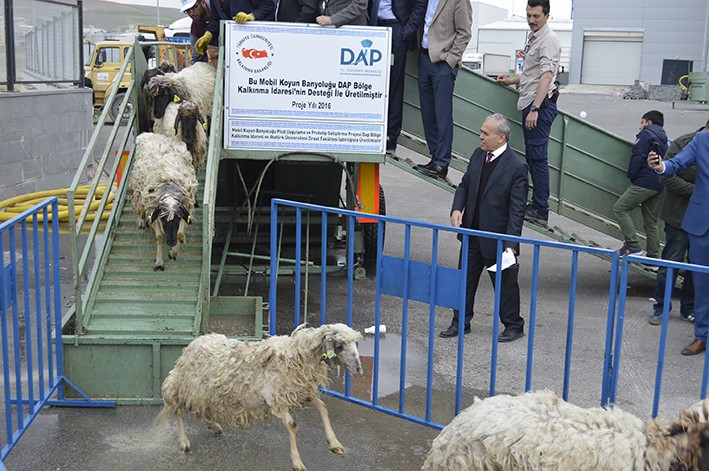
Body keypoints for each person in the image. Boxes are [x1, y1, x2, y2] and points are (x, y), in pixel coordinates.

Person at [441, 114, 528, 342]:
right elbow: (465, 184)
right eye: (481, 131)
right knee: (464, 281)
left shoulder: (517, 167)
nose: (480, 136)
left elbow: (517, 210)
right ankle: (460, 322)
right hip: (472, 235)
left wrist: (511, 246)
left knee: (505, 285)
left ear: (501, 138)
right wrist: (457, 208)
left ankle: (513, 325)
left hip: (497, 239)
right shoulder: (478, 155)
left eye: (485, 133)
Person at [495, 0, 560, 228]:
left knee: (538, 158)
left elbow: (546, 76)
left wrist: (535, 108)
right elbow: (532, 74)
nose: (532, 20)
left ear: (547, 16)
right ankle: (537, 204)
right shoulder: (535, 37)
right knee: (533, 157)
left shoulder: (548, 40)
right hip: (532, 102)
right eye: (529, 15)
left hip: (539, 106)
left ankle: (541, 209)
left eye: (536, 16)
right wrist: (511, 80)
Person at [648, 127, 709, 356]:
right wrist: (660, 165)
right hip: (702, 223)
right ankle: (702, 336)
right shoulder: (701, 139)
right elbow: (676, 164)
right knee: (702, 285)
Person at [414, 0, 472, 179]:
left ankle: (442, 163)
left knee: (442, 115)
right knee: (428, 113)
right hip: (424, 59)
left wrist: (450, 61)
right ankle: (435, 158)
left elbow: (465, 33)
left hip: (443, 64)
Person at [369, 0, 425, 154]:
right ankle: (371, 133)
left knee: (394, 86)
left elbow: (420, 5)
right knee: (372, 84)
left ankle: (390, 138)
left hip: (396, 29)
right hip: (374, 27)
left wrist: (407, 32)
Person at [613, 110, 667, 258]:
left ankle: (633, 245)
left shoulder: (646, 134)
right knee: (651, 222)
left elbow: (638, 156)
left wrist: (632, 175)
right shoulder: (664, 138)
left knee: (620, 208)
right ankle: (654, 259)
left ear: (648, 123)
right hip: (660, 183)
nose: (640, 126)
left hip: (645, 181)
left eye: (642, 122)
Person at [195, 0, 276, 55]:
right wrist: (208, 34)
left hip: (259, 38)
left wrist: (252, 15)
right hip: (237, 43)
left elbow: (269, 4)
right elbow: (216, 19)